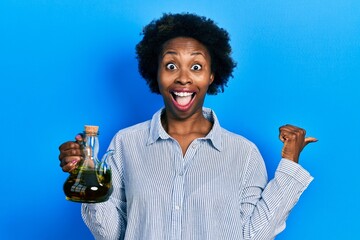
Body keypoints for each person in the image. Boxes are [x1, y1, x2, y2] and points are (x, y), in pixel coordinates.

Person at [59, 13, 317, 240]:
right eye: (171, 66)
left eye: (196, 66)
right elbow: (111, 234)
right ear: (156, 73)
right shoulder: (126, 144)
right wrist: (86, 177)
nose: (183, 77)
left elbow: (254, 236)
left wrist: (290, 164)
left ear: (211, 75)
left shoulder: (244, 153)